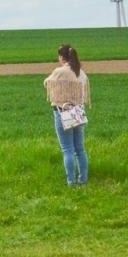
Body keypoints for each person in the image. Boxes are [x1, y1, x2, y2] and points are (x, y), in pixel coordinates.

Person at [43, 44, 90, 186]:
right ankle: (83, 180)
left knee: (67, 149)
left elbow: (47, 83)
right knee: (80, 149)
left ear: (62, 57)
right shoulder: (80, 72)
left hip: (63, 111)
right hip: (78, 111)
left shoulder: (60, 71)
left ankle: (71, 182)